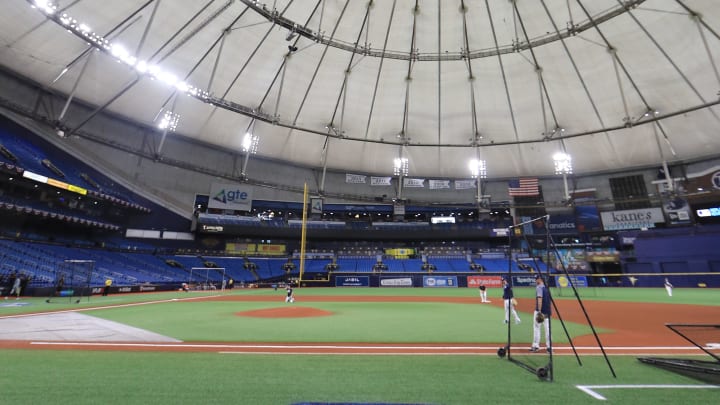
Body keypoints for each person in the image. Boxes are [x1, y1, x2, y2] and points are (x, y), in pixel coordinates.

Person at [530, 275, 551, 353]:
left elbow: (540, 299)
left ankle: (535, 346)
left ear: (540, 279)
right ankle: (549, 347)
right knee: (548, 329)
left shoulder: (539, 287)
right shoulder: (546, 288)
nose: (535, 280)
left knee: (536, 328)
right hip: (547, 311)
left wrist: (539, 311)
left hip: (540, 311)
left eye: (536, 279)